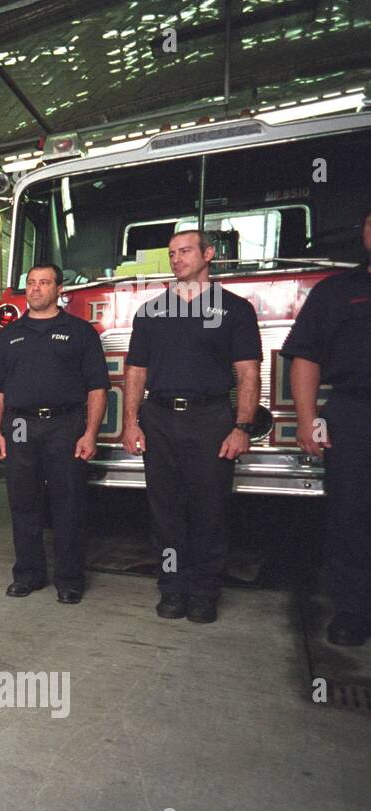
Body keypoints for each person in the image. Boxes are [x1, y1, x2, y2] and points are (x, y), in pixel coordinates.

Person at [122, 229, 262, 624]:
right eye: (171, 254)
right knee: (165, 512)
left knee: (209, 511)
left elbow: (248, 372)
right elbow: (136, 371)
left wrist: (243, 427)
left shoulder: (235, 309)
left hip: (211, 419)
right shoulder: (151, 311)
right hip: (160, 418)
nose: (177, 259)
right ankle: (171, 589)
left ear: (208, 254)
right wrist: (131, 422)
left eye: (185, 251)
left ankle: (204, 592)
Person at [0, 264, 109, 604]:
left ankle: (69, 579)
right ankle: (28, 573)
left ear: (59, 290)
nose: (36, 289)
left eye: (44, 283)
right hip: (20, 425)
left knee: (68, 503)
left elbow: (97, 388)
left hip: (64, 425)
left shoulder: (81, 332)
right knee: (23, 502)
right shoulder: (10, 335)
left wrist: (90, 434)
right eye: (30, 283)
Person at [281, 204, 371, 646]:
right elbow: (307, 357)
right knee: (349, 513)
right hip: (355, 412)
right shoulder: (336, 292)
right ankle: (354, 610)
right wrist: (307, 420)